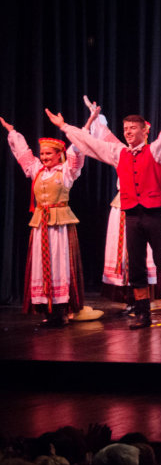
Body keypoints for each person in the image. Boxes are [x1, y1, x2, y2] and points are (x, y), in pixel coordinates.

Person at [49, 90, 161, 329]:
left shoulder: (155, 150)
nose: (128, 132)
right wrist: (65, 127)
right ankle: (143, 314)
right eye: (126, 129)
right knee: (136, 266)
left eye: (133, 128)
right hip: (131, 213)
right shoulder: (118, 152)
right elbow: (90, 143)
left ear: (144, 131)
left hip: (154, 212)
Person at [2, 114, 90, 327]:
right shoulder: (36, 170)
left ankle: (62, 309)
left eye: (49, 153)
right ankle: (48, 309)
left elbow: (77, 150)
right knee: (42, 265)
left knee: (60, 263)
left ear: (59, 155)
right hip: (41, 223)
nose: (44, 157)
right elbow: (23, 153)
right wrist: (12, 132)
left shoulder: (67, 172)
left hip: (60, 224)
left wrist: (85, 126)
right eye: (42, 153)